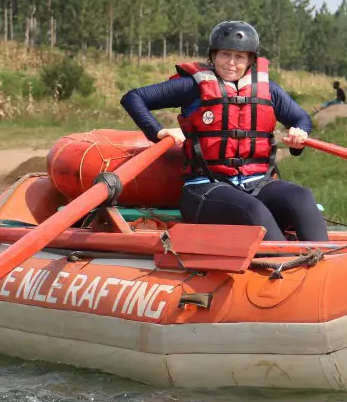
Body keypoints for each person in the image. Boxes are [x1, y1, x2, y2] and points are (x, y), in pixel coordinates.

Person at [120, 20, 329, 242]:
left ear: (250, 60)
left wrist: (300, 133)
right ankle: (284, 266)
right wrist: (158, 132)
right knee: (254, 211)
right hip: (205, 189)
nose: (231, 62)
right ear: (213, 56)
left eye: (239, 57)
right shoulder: (192, 87)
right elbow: (134, 98)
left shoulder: (269, 90)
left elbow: (301, 118)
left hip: (258, 183)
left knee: (302, 198)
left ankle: (324, 265)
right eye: (224, 54)